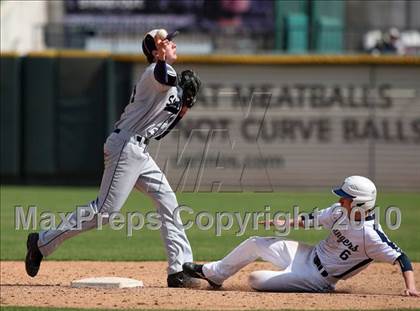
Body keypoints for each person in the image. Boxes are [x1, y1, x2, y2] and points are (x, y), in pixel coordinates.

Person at [25, 28, 202, 288]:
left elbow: (162, 131)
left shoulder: (168, 81)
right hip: (125, 146)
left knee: (167, 201)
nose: (172, 43)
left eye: (171, 40)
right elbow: (163, 74)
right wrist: (162, 59)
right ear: (155, 51)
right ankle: (41, 242)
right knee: (104, 212)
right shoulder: (155, 72)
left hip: (140, 151)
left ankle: (179, 269)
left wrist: (184, 107)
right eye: (165, 41)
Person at [183, 176, 419, 296]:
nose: (339, 200)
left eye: (344, 197)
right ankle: (214, 275)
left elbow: (402, 258)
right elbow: (311, 219)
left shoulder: (371, 236)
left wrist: (410, 287)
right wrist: (284, 222)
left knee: (255, 279)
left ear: (359, 203)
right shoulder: (339, 211)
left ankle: (305, 284)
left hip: (318, 279)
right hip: (307, 255)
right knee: (256, 242)